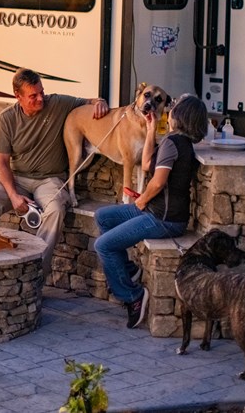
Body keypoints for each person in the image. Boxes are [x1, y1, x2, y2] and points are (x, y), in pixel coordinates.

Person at [0, 68, 108, 276]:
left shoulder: (57, 103)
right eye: (33, 96)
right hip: (17, 179)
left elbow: (91, 100)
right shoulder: (7, 118)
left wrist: (100, 102)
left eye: (41, 92)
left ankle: (36, 274)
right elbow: (1, 162)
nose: (40, 99)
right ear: (17, 96)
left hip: (50, 180)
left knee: (55, 210)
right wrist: (13, 195)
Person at [93, 94, 208, 329]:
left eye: (174, 108)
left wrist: (142, 201)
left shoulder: (173, 143)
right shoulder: (176, 141)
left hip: (162, 219)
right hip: (160, 213)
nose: (170, 110)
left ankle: (132, 296)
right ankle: (129, 271)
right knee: (102, 216)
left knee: (103, 245)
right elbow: (146, 164)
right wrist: (151, 127)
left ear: (180, 116)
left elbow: (157, 182)